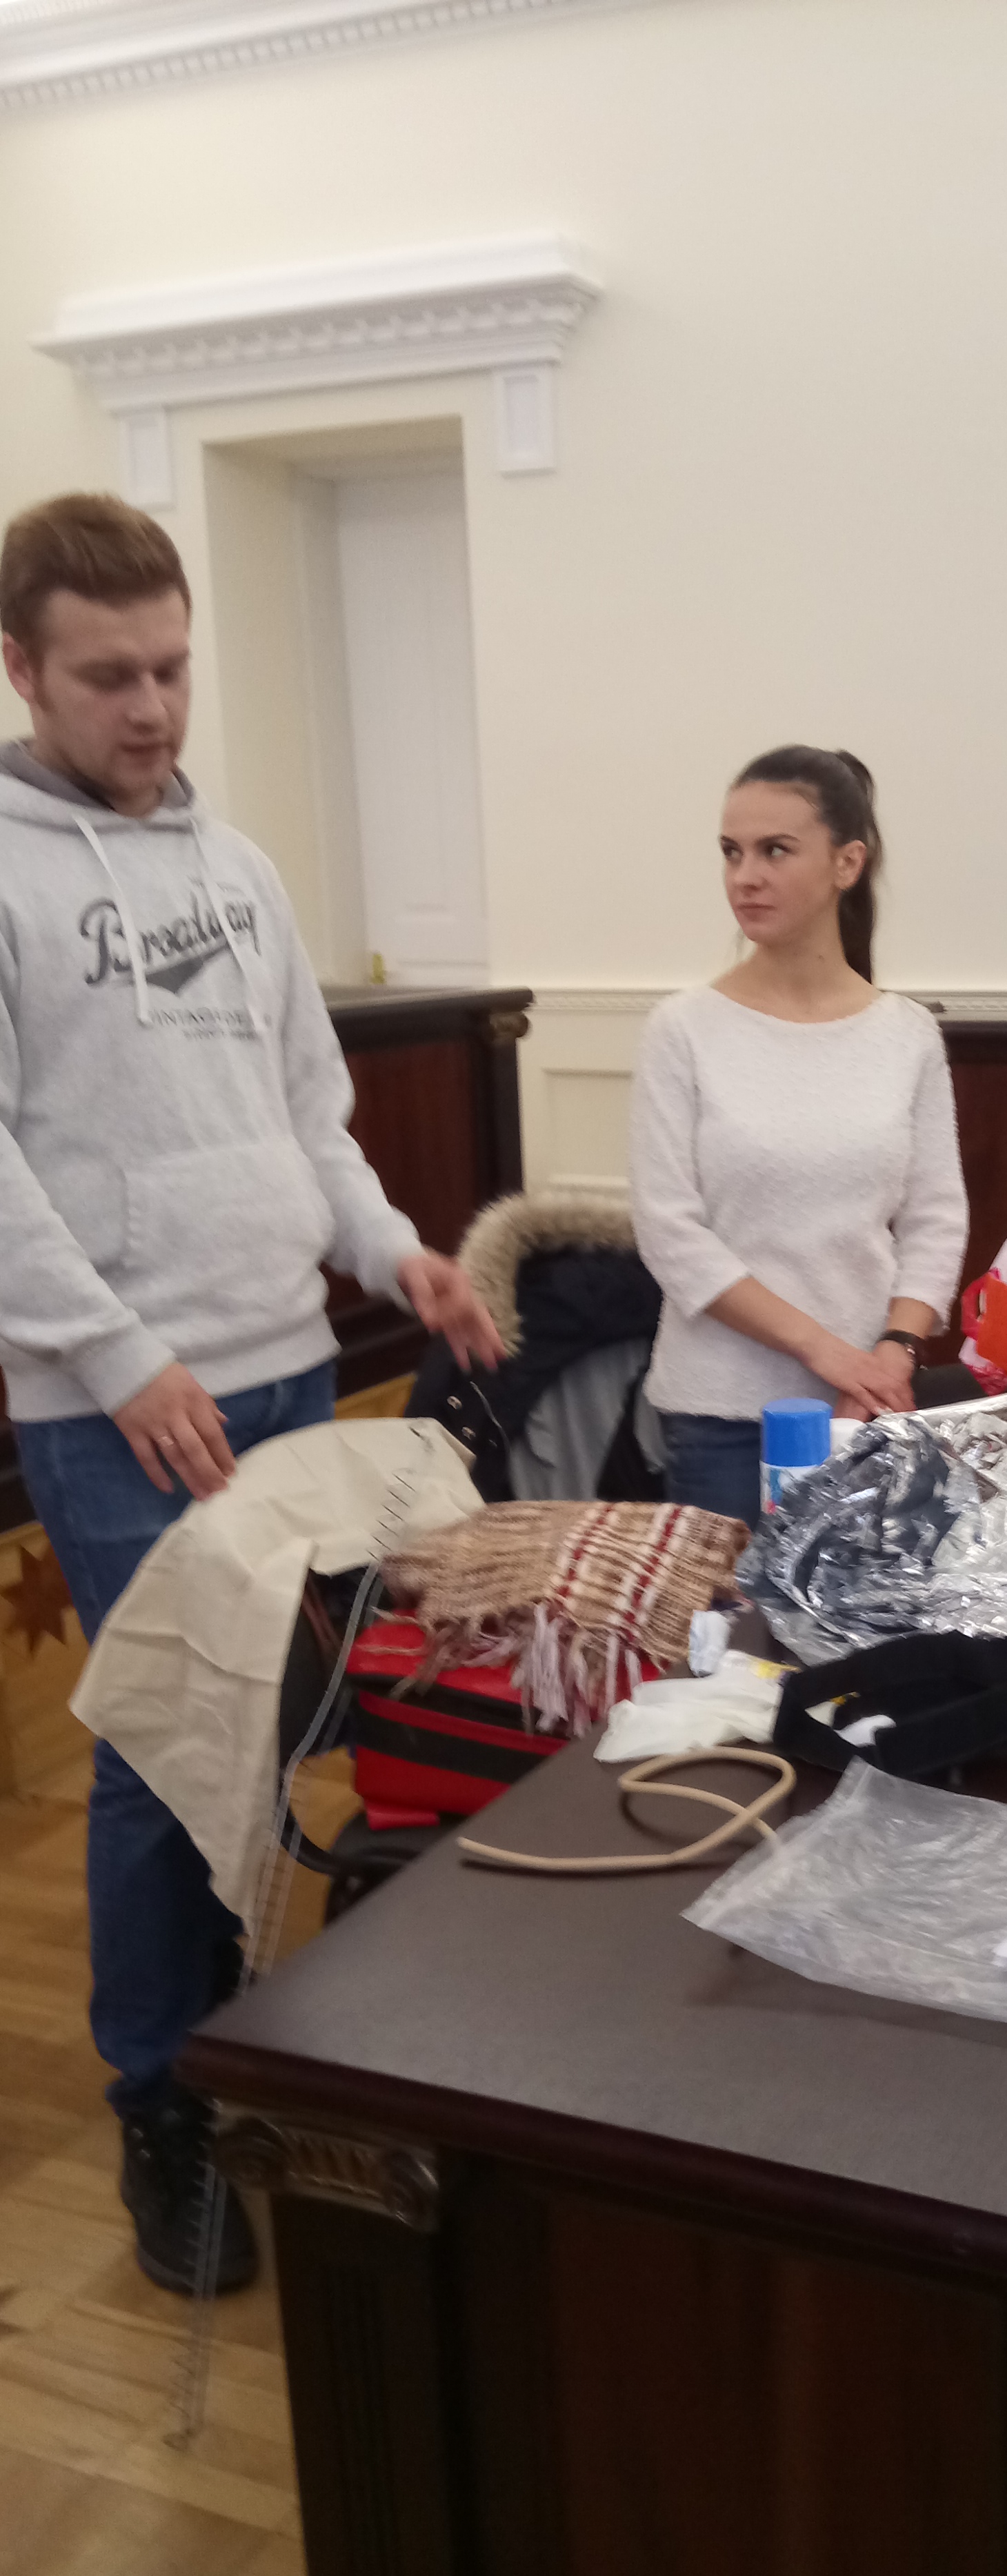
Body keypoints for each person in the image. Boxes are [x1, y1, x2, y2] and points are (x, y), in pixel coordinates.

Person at [0, 493, 504, 2292]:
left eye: (172, 667)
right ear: (22, 668)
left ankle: (274, 2044)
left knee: (290, 1729)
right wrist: (121, 1356)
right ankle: (164, 2098)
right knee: (169, 1752)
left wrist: (393, 1252)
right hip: (121, 1404)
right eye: (108, 676)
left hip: (288, 1371)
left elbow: (311, 1119)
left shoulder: (242, 866)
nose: (151, 707)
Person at [628, 745, 968, 1530]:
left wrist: (893, 1352)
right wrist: (825, 1350)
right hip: (721, 1417)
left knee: (864, 1613)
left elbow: (935, 1218)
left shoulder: (906, 1034)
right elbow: (671, 1234)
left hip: (868, 1408)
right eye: (731, 852)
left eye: (775, 850)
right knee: (732, 1616)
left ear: (848, 862)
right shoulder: (683, 1029)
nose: (744, 876)